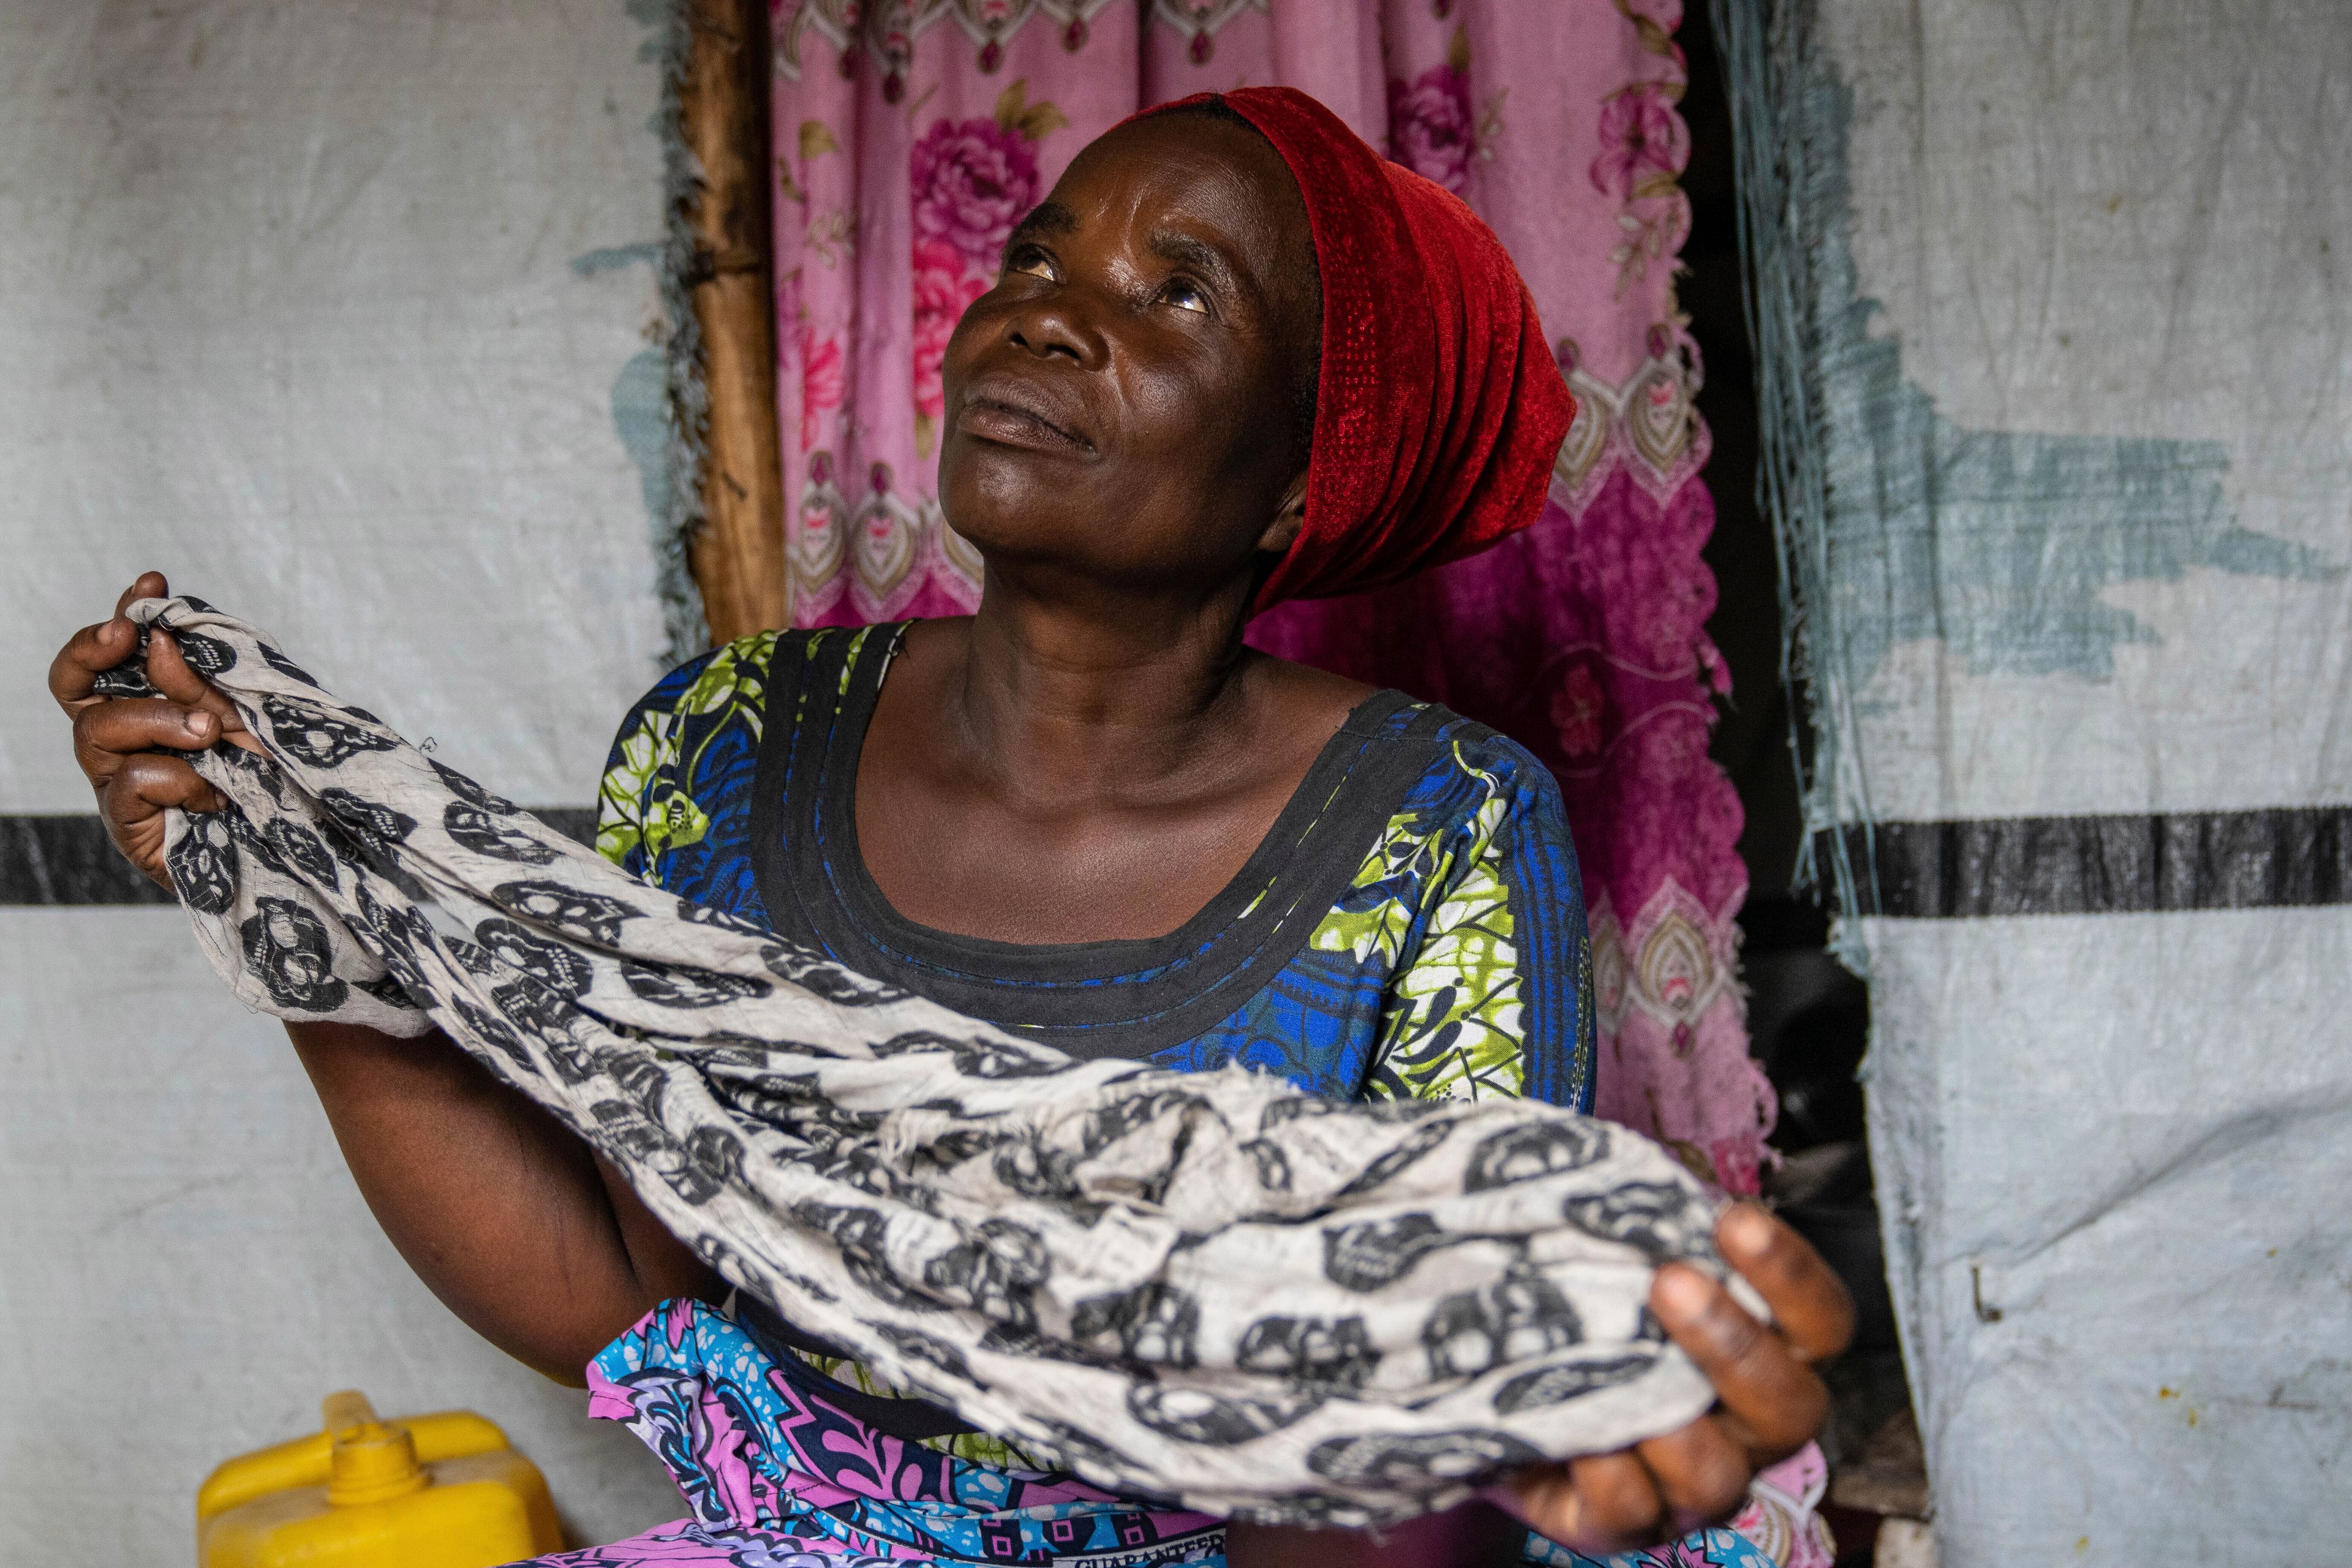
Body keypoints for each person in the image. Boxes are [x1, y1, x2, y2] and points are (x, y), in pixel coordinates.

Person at [52, 89, 1849, 1568]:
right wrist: (287, 900)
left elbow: (1404, 1439)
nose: (1050, 312)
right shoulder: (726, 743)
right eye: (1037, 255)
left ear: (1311, 471)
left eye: (1180, 294)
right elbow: (636, 1313)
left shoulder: (1433, 822)